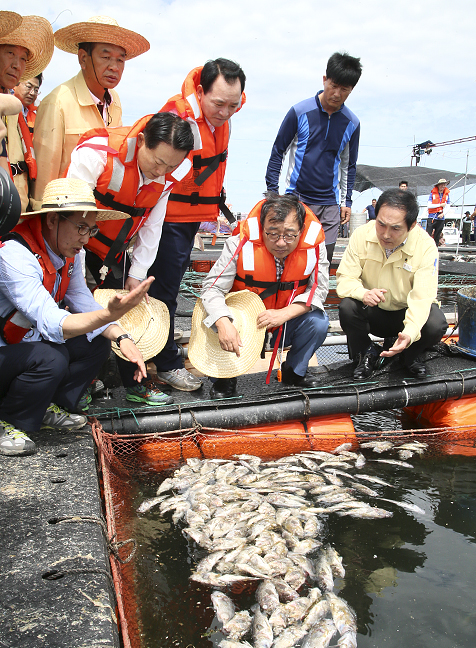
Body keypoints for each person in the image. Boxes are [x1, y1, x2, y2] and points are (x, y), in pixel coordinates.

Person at [0, 178, 154, 457]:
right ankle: (8, 420)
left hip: (25, 342)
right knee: (51, 357)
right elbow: (51, 321)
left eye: (91, 229)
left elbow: (81, 299)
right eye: (80, 228)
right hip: (5, 351)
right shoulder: (14, 255)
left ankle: (46, 406)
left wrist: (121, 335)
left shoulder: (71, 253)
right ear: (52, 220)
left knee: (97, 343)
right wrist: (108, 313)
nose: (86, 239)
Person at [67, 112, 194, 406]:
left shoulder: (167, 175)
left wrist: (137, 272)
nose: (160, 171)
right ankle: (80, 386)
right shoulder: (96, 154)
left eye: (171, 165)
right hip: (77, 247)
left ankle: (136, 384)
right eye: (157, 161)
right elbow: (71, 213)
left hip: (114, 254)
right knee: (80, 313)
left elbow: (152, 225)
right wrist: (74, 261)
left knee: (127, 311)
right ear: (141, 142)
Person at [146, 58, 246, 392]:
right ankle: (167, 364)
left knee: (168, 290)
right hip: (168, 217)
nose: (225, 112)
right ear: (200, 92)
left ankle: (159, 354)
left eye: (233, 105)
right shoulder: (179, 118)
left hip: (193, 218)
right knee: (164, 293)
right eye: (218, 104)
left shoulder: (223, 114)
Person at [200, 193, 329, 398]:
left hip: (285, 323)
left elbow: (319, 290)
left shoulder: (315, 247)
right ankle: (224, 378)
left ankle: (294, 371)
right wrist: (224, 323)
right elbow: (211, 288)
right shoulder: (238, 243)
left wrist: (283, 314)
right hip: (243, 325)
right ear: (262, 228)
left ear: (301, 230)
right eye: (273, 234)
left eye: (289, 235)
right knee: (214, 316)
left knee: (319, 321)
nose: (280, 243)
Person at [32, 15, 150, 210]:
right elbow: (45, 181)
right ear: (83, 59)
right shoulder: (57, 102)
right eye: (105, 57)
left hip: (102, 214)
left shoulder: (115, 102)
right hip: (66, 214)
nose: (114, 67)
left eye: (120, 60)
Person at [336, 188, 447, 380]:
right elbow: (345, 278)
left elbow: (422, 298)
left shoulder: (426, 246)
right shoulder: (361, 235)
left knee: (436, 323)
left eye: (395, 228)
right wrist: (363, 293)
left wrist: (410, 333)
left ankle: (409, 355)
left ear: (412, 225)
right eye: (381, 224)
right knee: (347, 307)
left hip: (405, 312)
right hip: (373, 310)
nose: (386, 234)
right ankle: (366, 354)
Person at [265, 51, 362, 264]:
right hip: (296, 199)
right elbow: (278, 151)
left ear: (351, 90)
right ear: (324, 79)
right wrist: (272, 193)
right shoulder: (299, 111)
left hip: (329, 203)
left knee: (322, 264)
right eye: (333, 85)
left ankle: (316, 299)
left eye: (344, 89)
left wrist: (346, 202)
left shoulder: (352, 123)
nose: (336, 93)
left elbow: (349, 165)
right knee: (290, 261)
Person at [0, 15, 54, 211]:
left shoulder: (15, 109)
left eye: (23, 58)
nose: (17, 64)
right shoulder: (10, 103)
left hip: (16, 211)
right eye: (10, 53)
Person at [427, 178, 450, 246]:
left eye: (444, 185)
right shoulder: (432, 194)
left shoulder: (446, 195)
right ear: (438, 185)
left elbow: (448, 206)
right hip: (432, 217)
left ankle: (436, 248)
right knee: (428, 234)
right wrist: (440, 205)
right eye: (441, 185)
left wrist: (443, 214)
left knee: (437, 235)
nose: (442, 187)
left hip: (441, 218)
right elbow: (429, 205)